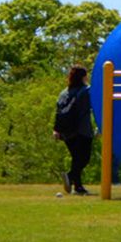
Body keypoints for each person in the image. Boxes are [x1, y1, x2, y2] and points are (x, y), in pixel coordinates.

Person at [52, 66, 96, 196]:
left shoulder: (64, 92)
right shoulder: (86, 91)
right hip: (82, 129)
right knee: (84, 159)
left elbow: (58, 112)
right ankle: (70, 177)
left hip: (66, 131)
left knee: (76, 159)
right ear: (84, 77)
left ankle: (78, 187)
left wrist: (56, 129)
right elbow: (95, 105)